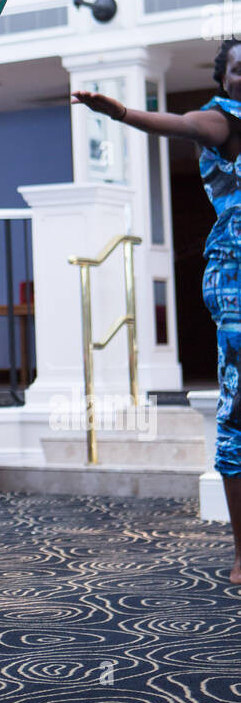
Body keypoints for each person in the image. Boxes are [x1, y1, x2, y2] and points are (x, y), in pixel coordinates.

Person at [74, 39, 241, 586]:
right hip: (237, 278)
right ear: (225, 81)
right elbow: (181, 125)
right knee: (238, 414)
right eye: (238, 70)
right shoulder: (222, 120)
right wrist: (122, 113)